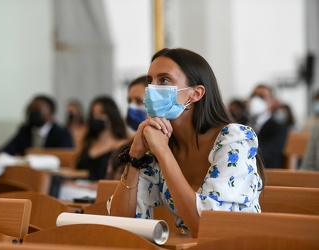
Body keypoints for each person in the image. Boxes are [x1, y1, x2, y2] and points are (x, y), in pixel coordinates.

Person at [107, 48, 265, 237]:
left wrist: (163, 152)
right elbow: (120, 221)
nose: (151, 90)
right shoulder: (161, 142)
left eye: (164, 80)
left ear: (195, 93)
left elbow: (204, 226)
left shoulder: (234, 140)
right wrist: (135, 157)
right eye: (150, 81)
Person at [0, 95, 74, 156]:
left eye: (37, 110)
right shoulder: (25, 131)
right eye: (30, 109)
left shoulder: (62, 134)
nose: (32, 113)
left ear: (50, 113)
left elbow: (65, 158)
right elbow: (5, 151)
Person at [76, 96, 129, 181]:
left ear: (111, 116)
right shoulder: (88, 143)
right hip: (78, 188)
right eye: (93, 114)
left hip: (102, 190)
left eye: (101, 113)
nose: (96, 117)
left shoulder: (121, 145)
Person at [106, 75, 149, 180]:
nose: (131, 107)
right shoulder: (123, 150)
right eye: (129, 101)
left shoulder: (166, 151)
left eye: (139, 101)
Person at [247, 84, 288, 168]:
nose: (256, 100)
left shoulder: (278, 128)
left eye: (261, 96)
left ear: (272, 101)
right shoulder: (242, 124)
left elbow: (268, 155)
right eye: (254, 96)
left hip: (268, 174)